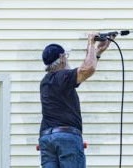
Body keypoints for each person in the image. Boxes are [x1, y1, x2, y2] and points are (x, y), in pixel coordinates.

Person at [38, 32, 113, 168]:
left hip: (46, 139)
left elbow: (84, 70)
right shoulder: (62, 77)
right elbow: (88, 68)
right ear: (61, 58)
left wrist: (97, 52)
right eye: (66, 56)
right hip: (66, 137)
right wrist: (91, 43)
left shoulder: (46, 81)